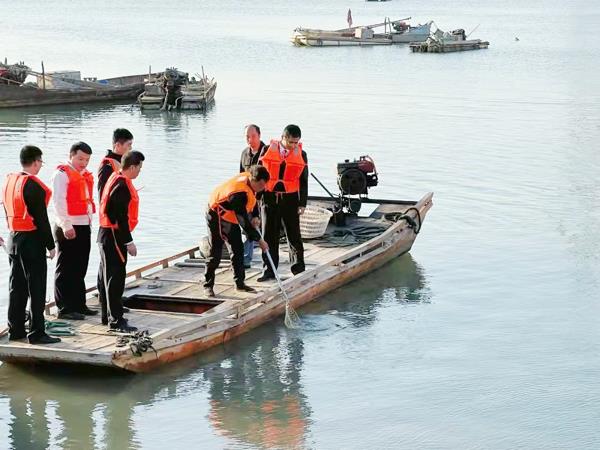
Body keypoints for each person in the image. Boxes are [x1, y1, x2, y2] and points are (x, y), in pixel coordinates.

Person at [1, 145, 59, 344]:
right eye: (41, 162)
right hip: (31, 241)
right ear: (35, 162)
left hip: (13, 238)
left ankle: (15, 330)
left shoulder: (9, 181)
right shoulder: (33, 186)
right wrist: (51, 245)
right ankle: (37, 333)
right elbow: (42, 219)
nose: (41, 166)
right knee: (36, 287)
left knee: (16, 286)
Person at [204, 165, 270, 298]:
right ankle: (208, 285)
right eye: (261, 185)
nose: (263, 188)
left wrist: (255, 216)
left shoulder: (251, 183)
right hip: (217, 214)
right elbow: (244, 222)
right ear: (253, 179)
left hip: (230, 215)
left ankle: (239, 283)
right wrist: (259, 240)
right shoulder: (238, 194)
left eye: (264, 185)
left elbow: (253, 199)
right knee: (215, 251)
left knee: (238, 249)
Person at [97, 151, 144, 332]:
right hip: (114, 236)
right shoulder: (122, 185)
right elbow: (119, 216)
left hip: (106, 234)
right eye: (139, 168)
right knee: (115, 279)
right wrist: (128, 242)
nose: (139, 171)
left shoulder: (115, 177)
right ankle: (116, 321)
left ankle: (107, 316)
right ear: (132, 167)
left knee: (107, 277)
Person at [51, 141, 97, 321]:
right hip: (68, 226)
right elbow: (58, 202)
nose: (83, 163)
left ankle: (79, 304)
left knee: (80, 266)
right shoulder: (61, 174)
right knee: (65, 267)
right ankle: (64, 308)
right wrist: (66, 225)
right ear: (71, 156)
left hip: (84, 225)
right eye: (80, 159)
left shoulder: (84, 174)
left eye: (86, 160)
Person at [257, 124, 308, 282]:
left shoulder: (302, 154)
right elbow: (257, 174)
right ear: (283, 138)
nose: (293, 145)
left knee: (294, 235)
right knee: (268, 236)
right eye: (291, 142)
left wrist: (302, 203)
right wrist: (256, 198)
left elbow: (303, 180)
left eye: (296, 142)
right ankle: (269, 270)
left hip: (290, 199)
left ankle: (298, 269)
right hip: (269, 198)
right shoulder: (266, 150)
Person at [239, 124, 268, 269]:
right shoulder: (244, 153)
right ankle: (246, 259)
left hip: (263, 197)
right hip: (248, 196)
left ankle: (266, 260)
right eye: (247, 137)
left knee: (263, 227)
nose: (250, 140)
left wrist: (258, 194)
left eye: (253, 136)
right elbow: (240, 176)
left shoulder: (266, 152)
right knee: (247, 226)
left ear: (259, 135)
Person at [97, 128, 133, 198]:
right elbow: (103, 195)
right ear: (118, 145)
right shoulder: (107, 166)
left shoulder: (123, 161)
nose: (131, 148)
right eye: (129, 145)